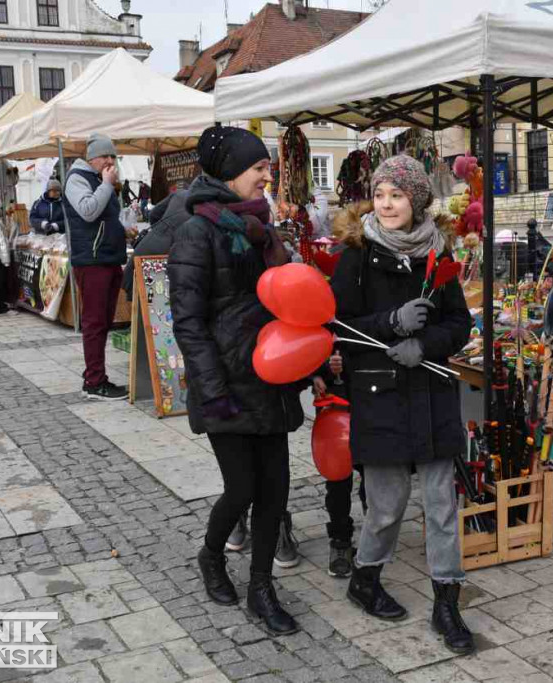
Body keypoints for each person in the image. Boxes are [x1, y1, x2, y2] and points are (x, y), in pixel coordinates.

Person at [330, 155, 475, 655]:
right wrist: (391, 322)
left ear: (416, 200)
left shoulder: (438, 251)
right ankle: (364, 580)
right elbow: (338, 328)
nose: (387, 204)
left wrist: (427, 344)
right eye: (381, 194)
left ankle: (447, 604)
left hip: (432, 396)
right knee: (387, 507)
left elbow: (460, 324)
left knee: (441, 507)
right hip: (381, 396)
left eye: (397, 195)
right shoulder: (356, 252)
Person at [168, 125, 302, 637]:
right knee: (242, 487)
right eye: (258, 168)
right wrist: (213, 390)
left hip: (270, 376)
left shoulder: (264, 229)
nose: (268, 175)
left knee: (277, 490)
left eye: (267, 166)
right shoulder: (196, 231)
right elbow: (188, 321)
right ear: (230, 174)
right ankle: (210, 555)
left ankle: (262, 587)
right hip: (225, 382)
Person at [62, 132, 129, 401]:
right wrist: (106, 185)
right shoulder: (78, 178)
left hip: (108, 258)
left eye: (113, 156)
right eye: (106, 156)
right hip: (92, 260)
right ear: (92, 158)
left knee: (103, 321)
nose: (110, 161)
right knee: (95, 322)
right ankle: (94, 382)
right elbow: (88, 210)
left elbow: (104, 216)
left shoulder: (101, 179)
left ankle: (97, 375)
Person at [312, 350, 368, 578]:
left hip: (369, 395)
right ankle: (340, 542)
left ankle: (375, 537)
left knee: (374, 472)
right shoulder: (323, 319)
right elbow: (306, 350)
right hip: (333, 403)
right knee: (337, 480)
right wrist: (319, 371)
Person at [120, 186, 191, 301]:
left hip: (147, 249)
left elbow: (154, 214)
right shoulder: (210, 211)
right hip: (165, 262)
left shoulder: (180, 194)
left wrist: (161, 230)